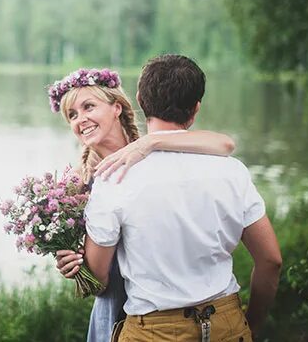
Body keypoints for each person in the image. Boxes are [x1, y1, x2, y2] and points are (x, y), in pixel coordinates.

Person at [81, 55, 282, 341]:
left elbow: (98, 278)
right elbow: (271, 261)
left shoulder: (114, 177)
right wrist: (253, 325)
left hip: (152, 332)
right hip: (227, 323)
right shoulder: (232, 171)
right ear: (196, 108)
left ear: (139, 99)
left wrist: (73, 258)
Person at [47, 67, 236, 342]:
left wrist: (151, 142)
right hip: (114, 305)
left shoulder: (153, 153)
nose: (81, 120)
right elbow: (94, 274)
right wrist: (74, 265)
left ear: (117, 108)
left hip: (170, 305)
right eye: (72, 115)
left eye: (89, 106)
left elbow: (225, 144)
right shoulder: (76, 185)